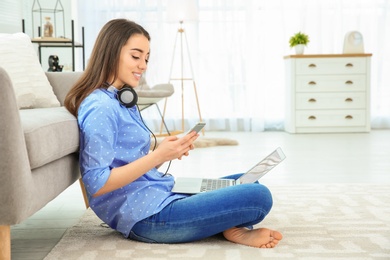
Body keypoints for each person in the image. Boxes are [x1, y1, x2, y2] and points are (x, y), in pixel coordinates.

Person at [64, 18, 282, 248]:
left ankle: (229, 226)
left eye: (146, 58)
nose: (143, 65)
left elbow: (130, 162)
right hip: (146, 216)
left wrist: (167, 151)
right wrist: (158, 156)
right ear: (110, 53)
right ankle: (231, 226)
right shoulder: (101, 107)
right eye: (136, 56)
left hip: (159, 192)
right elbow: (96, 184)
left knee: (247, 181)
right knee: (258, 197)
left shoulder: (120, 99)